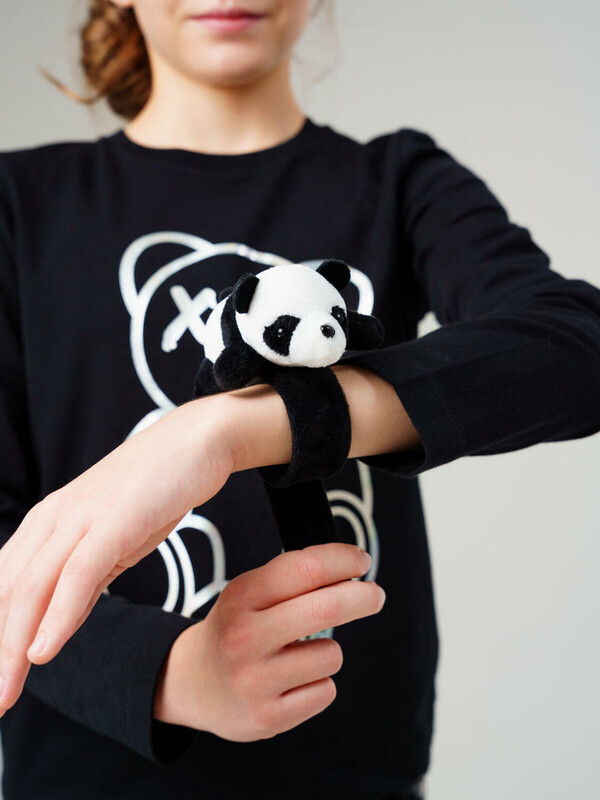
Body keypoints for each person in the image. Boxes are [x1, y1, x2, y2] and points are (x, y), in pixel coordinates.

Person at [0, 1, 598, 798]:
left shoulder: (399, 182)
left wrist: (226, 429)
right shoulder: (18, 205)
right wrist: (175, 673)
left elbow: (576, 347)